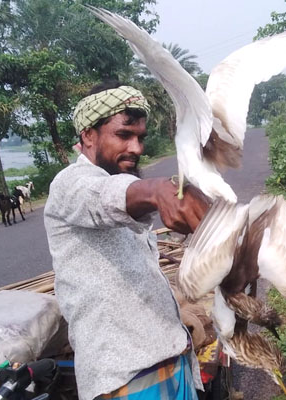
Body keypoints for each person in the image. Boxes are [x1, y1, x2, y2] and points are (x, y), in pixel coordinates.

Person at [44, 81, 209, 400]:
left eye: (141, 137)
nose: (136, 148)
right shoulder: (70, 184)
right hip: (124, 381)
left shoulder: (125, 185)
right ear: (88, 135)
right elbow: (105, 197)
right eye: (124, 135)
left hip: (171, 365)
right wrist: (160, 190)